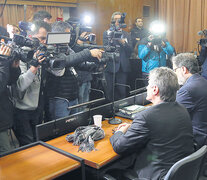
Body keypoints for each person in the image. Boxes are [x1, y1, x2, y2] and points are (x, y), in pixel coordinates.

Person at [110, 67, 194, 180]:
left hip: (156, 175)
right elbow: (159, 128)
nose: (146, 87)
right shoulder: (182, 109)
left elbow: (119, 147)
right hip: (181, 173)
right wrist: (135, 127)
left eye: (148, 84)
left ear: (155, 89)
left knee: (108, 170)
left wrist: (119, 131)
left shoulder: (146, 117)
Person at [45, 21, 102, 120]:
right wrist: (88, 53)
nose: (70, 37)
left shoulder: (67, 48)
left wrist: (97, 65)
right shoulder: (50, 49)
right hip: (59, 98)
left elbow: (78, 63)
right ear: (59, 35)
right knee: (61, 129)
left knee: (73, 126)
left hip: (72, 95)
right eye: (68, 34)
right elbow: (66, 61)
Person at [12, 21, 52, 146]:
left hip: (38, 108)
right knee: (28, 146)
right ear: (31, 37)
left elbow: (59, 72)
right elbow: (19, 86)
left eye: (46, 39)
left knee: (39, 142)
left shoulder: (43, 52)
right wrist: (34, 66)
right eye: (41, 38)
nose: (44, 42)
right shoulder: (21, 54)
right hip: (21, 110)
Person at [172, 53, 207, 149]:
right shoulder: (202, 81)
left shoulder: (187, 90)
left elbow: (173, 117)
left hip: (197, 140)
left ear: (183, 69)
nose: (174, 74)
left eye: (175, 70)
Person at [0, 26, 21, 154]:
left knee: (15, 150)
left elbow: (9, 82)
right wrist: (2, 60)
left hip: (5, 116)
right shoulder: (1, 60)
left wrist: (13, 68)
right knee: (7, 156)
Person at [103, 11, 132, 101]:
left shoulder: (126, 34)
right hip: (111, 65)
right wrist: (111, 40)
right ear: (112, 21)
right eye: (115, 19)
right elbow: (106, 49)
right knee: (109, 91)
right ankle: (110, 112)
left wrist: (123, 42)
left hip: (123, 67)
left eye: (119, 19)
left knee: (122, 91)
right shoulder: (107, 33)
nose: (117, 21)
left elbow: (130, 51)